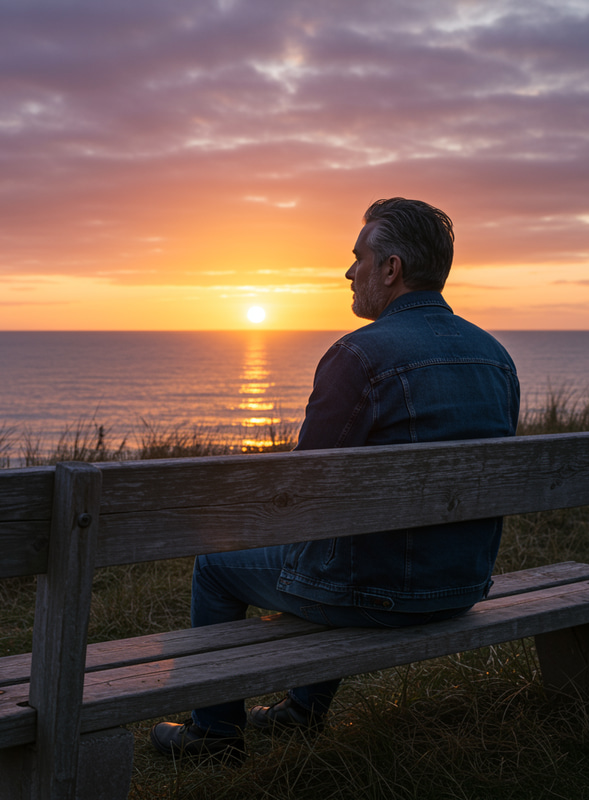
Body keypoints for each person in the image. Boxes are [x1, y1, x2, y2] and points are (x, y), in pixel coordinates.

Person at [150, 197, 520, 760]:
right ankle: (301, 712)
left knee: (216, 567)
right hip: (462, 586)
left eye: (358, 257)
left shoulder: (359, 355)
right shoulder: (497, 358)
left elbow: (300, 492)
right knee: (338, 548)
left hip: (379, 592)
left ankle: (215, 733)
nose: (348, 272)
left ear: (390, 268)